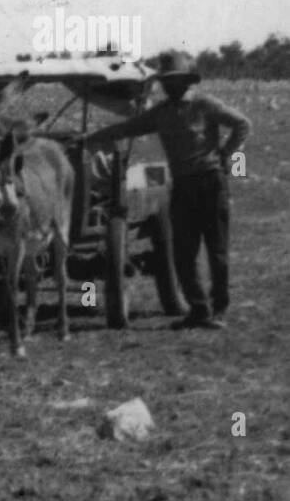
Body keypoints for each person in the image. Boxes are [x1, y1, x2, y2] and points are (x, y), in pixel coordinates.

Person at [84, 50, 251, 329]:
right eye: (165, 80)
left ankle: (218, 308)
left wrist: (226, 152)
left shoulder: (204, 104)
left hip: (211, 183)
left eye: (174, 80)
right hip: (183, 187)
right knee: (183, 252)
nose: (168, 85)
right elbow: (128, 127)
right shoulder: (161, 113)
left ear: (187, 81)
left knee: (216, 250)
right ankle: (199, 310)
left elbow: (242, 124)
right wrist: (91, 138)